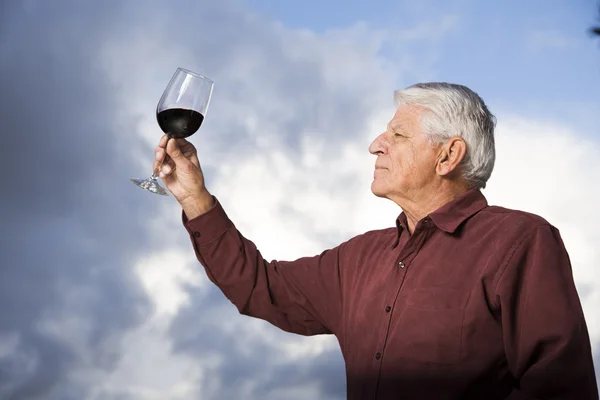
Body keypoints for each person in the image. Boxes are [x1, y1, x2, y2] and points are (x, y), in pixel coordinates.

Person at [153, 82, 598, 399]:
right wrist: (194, 195)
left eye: (398, 135)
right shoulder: (358, 258)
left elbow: (559, 387)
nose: (374, 145)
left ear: (448, 155)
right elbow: (259, 288)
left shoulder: (520, 241)